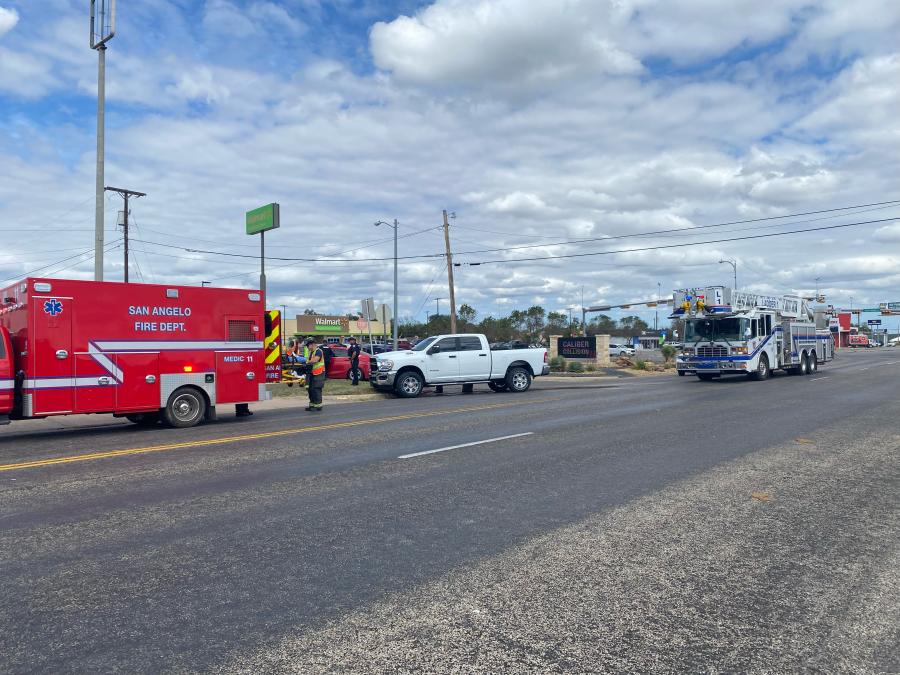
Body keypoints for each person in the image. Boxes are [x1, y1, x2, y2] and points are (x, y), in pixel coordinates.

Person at [304, 337, 326, 411]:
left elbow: (315, 360)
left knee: (317, 389)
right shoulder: (312, 352)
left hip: (319, 373)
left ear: (312, 344)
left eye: (308, 345)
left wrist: (306, 361)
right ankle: (312, 404)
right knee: (310, 389)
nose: (307, 347)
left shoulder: (318, 351)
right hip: (313, 373)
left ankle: (318, 405)